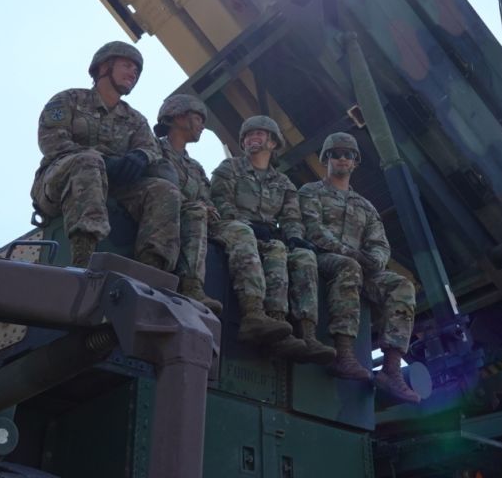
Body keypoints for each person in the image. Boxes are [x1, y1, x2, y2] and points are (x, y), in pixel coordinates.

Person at [30, 41, 181, 270]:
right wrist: (103, 161)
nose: (133, 73)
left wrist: (140, 157)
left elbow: (151, 150)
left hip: (113, 186)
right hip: (58, 181)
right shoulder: (69, 99)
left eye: (137, 70)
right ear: (104, 67)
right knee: (89, 161)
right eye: (127, 65)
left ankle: (150, 269)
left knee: (164, 190)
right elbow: (52, 142)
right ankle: (83, 260)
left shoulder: (135, 119)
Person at [298, 132, 420, 402]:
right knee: (348, 266)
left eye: (349, 155)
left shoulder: (365, 207)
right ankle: (344, 354)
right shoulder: (310, 193)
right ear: (326, 158)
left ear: (355, 163)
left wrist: (375, 259)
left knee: (401, 285)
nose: (342, 158)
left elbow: (379, 244)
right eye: (336, 153)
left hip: (359, 269)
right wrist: (350, 253)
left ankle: (391, 369)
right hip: (321, 261)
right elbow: (312, 230)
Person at [210, 116, 335, 364]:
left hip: (266, 236)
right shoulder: (230, 168)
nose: (252, 138)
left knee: (300, 255)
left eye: (259, 134)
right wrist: (245, 222)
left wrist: (296, 238)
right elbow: (219, 201)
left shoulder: (283, 183)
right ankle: (253, 314)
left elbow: (291, 218)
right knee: (245, 234)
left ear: (273, 142)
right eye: (248, 135)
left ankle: (299, 331)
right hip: (231, 227)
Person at [153, 94, 223, 315]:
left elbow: (205, 197)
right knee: (195, 211)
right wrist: (197, 206)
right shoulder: (153, 148)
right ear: (179, 117)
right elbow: (153, 183)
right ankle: (191, 285)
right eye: (198, 119)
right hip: (160, 215)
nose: (202, 126)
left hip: (194, 218)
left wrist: (209, 209)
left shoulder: (195, 166)